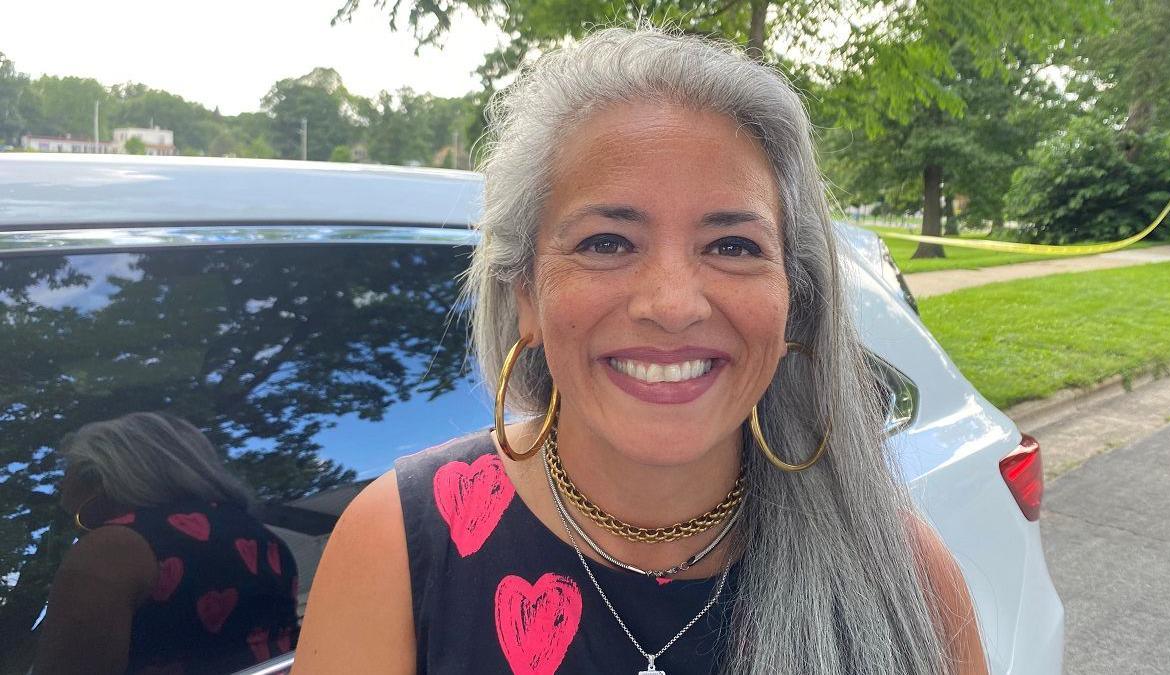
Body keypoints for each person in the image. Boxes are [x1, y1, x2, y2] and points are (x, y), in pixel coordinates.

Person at [295, 26, 988, 675]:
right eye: (607, 242)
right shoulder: (398, 550)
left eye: (732, 245)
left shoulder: (905, 580)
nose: (673, 302)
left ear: (790, 304)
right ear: (526, 296)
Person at [36, 412, 299, 675]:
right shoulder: (261, 536)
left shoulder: (112, 548)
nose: (59, 483)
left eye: (67, 469)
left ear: (96, 477)